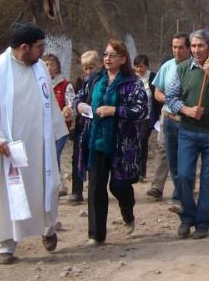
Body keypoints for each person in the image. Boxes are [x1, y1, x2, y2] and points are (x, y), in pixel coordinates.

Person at [0, 23, 68, 264]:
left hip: (40, 148)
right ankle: (5, 245)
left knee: (48, 186)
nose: (42, 51)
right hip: (7, 151)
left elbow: (49, 106)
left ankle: (48, 228)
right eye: (39, 47)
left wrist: (60, 128)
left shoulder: (41, 70)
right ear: (24, 48)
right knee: (7, 196)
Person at [74, 39, 148, 245]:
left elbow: (142, 110)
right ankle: (96, 235)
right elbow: (78, 97)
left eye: (112, 55)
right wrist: (79, 104)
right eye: (105, 54)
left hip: (121, 145)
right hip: (96, 140)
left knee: (119, 186)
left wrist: (114, 110)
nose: (107, 58)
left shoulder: (132, 83)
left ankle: (128, 213)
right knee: (96, 187)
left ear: (123, 59)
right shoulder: (95, 79)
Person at [165, 29, 209, 239]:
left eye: (201, 46)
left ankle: (203, 221)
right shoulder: (183, 69)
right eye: (194, 46)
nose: (197, 50)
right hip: (188, 130)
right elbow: (171, 97)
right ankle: (187, 217)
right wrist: (187, 110)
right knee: (184, 175)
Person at [151, 33, 192, 213]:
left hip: (187, 120)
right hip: (168, 117)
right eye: (174, 47)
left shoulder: (194, 67)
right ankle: (160, 186)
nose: (177, 51)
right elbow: (157, 92)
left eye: (181, 47)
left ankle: (181, 192)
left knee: (186, 156)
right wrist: (169, 99)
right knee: (166, 151)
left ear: (188, 48)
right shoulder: (167, 67)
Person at [66, 50, 101, 203]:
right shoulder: (80, 82)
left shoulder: (102, 81)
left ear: (98, 65)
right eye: (85, 68)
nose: (88, 71)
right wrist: (75, 105)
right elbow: (75, 99)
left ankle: (96, 190)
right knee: (77, 157)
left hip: (96, 123)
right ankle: (77, 190)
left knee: (95, 158)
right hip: (82, 123)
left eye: (91, 67)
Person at [42, 53, 74, 196]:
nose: (49, 68)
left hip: (61, 128)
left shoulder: (65, 85)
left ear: (58, 67)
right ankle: (56, 183)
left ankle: (56, 185)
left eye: (52, 65)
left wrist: (67, 110)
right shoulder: (39, 83)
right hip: (44, 127)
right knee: (49, 156)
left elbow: (71, 104)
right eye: (46, 64)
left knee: (54, 155)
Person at [134, 54, 165, 196]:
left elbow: (157, 97)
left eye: (141, 66)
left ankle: (142, 171)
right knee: (135, 142)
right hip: (135, 115)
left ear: (146, 66)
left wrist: (158, 115)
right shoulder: (132, 78)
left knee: (142, 140)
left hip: (149, 115)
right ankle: (136, 170)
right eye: (136, 66)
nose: (139, 69)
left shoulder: (152, 77)